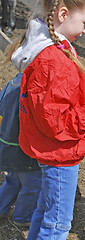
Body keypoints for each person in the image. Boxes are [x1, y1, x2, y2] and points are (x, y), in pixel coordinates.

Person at [5, 0, 85, 237]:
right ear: (63, 14)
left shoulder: (55, 48)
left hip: (51, 150)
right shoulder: (53, 61)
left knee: (44, 210)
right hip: (59, 153)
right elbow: (54, 121)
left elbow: (58, 99)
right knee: (58, 223)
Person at [0, 73, 42, 227]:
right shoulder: (33, 90)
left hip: (7, 143)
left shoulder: (14, 82)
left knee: (13, 179)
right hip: (23, 150)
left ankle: (2, 208)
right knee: (33, 184)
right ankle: (23, 217)